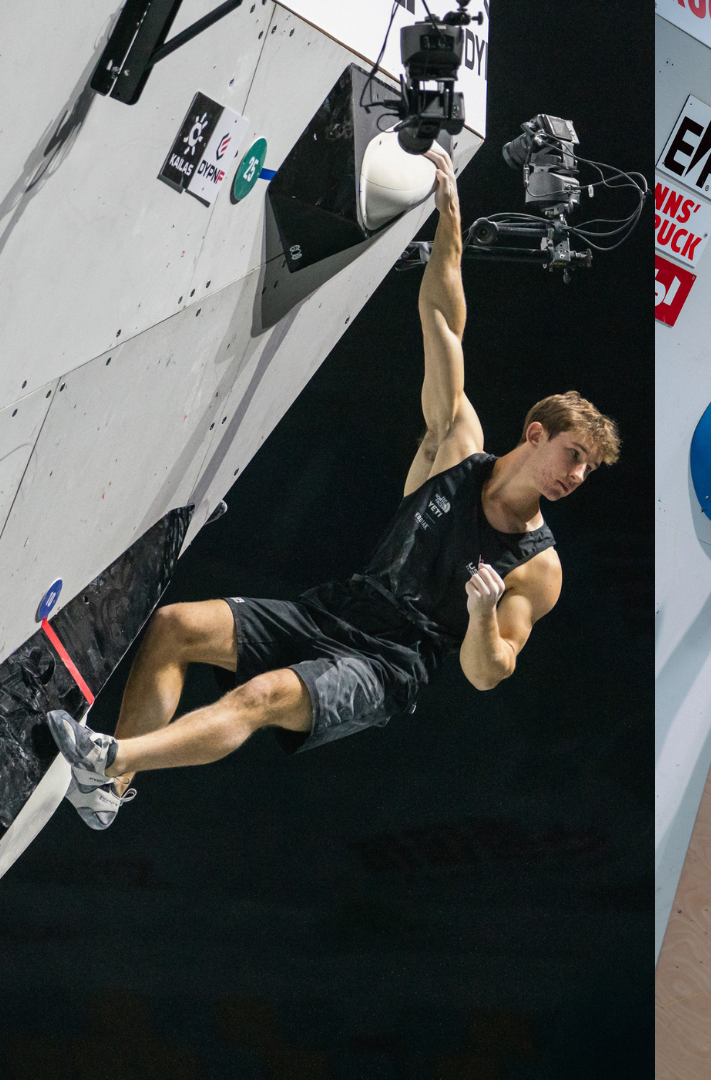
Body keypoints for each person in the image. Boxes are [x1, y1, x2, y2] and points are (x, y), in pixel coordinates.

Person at [48, 145, 622, 828]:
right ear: (535, 434)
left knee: (262, 698)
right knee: (176, 627)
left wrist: (480, 615)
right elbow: (443, 319)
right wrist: (449, 220)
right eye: (574, 456)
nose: (577, 476)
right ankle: (109, 790)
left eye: (589, 470)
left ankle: (110, 757)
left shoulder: (538, 566)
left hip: (387, 667)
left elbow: (487, 671)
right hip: (338, 610)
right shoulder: (455, 446)